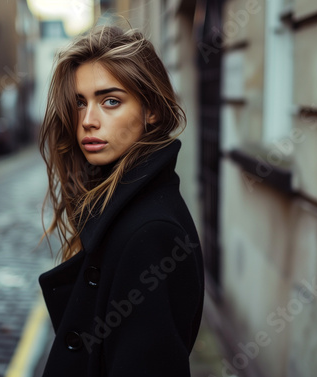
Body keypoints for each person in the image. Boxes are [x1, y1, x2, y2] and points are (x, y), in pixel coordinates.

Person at [38, 24, 204, 377]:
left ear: (152, 110)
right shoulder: (119, 208)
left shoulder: (153, 234)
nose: (87, 120)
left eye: (110, 101)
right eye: (80, 103)